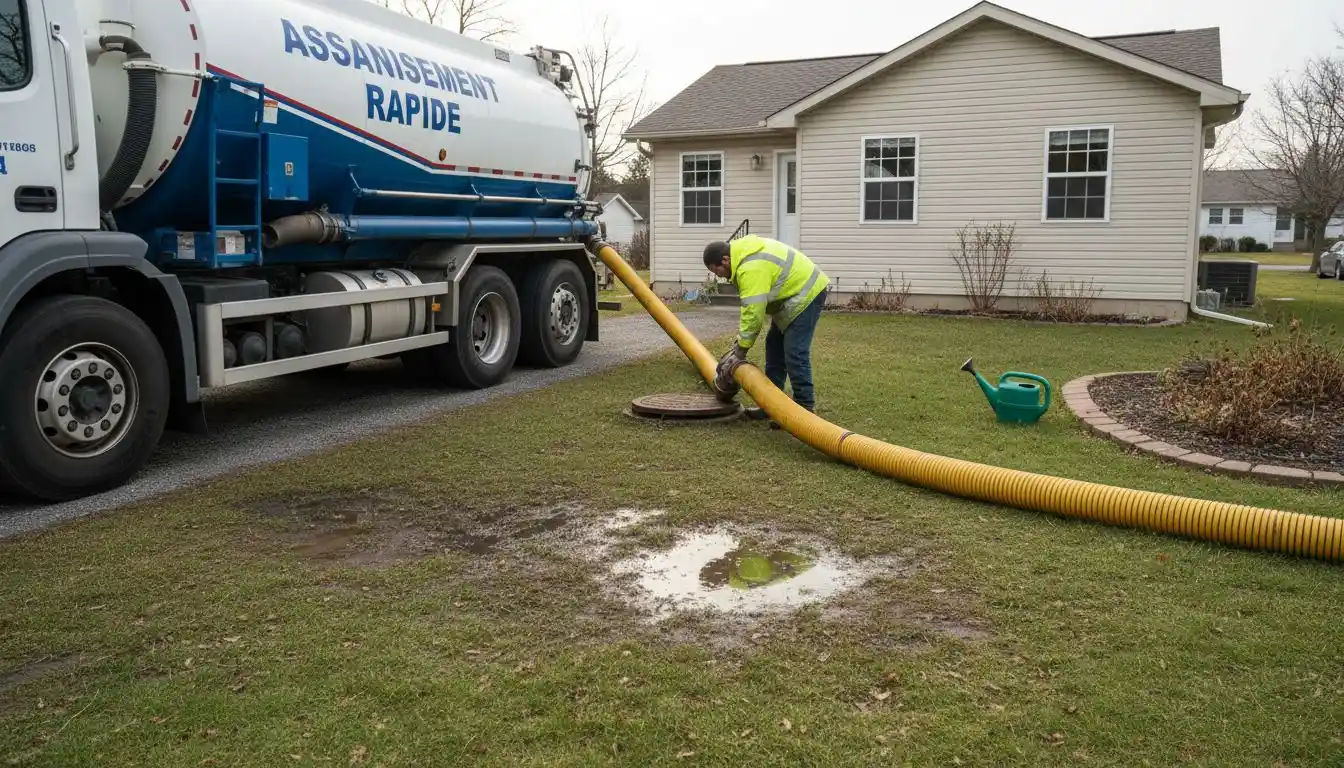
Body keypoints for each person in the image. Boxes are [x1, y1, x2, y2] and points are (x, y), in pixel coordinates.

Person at [704, 234, 829, 421]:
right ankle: (771, 406)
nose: (719, 277)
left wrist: (740, 350)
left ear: (725, 260)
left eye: (717, 271)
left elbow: (753, 313)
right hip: (791, 297)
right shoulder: (743, 255)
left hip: (807, 293)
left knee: (795, 352)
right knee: (774, 347)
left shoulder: (750, 267)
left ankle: (805, 411)